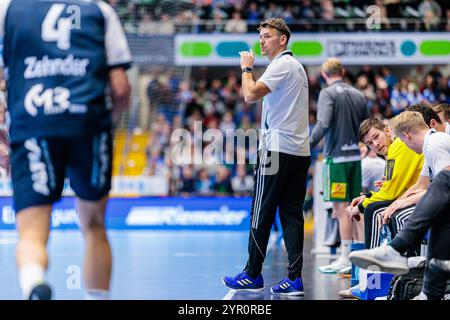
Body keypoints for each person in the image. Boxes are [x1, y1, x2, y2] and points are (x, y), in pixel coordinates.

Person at [0, 0, 131, 300]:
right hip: (88, 123)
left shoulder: (9, 8)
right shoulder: (100, 10)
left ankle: (34, 284)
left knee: (32, 231)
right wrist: (105, 125)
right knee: (95, 225)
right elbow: (121, 89)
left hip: (33, 124)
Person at [222, 18, 310, 296]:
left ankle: (252, 273)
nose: (261, 41)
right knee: (292, 215)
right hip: (299, 150)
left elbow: (249, 94)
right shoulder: (297, 67)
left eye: (267, 36)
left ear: (282, 39)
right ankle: (294, 279)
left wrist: (247, 68)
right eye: (260, 36)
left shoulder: (281, 64)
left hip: (276, 150)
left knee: (261, 210)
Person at [350, 111, 450, 300]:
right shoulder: (429, 145)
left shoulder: (435, 143)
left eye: (375, 138)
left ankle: (395, 252)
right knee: (436, 216)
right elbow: (421, 185)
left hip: (444, 197)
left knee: (387, 211)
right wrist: (399, 202)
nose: (403, 147)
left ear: (406, 136)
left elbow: (445, 185)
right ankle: (429, 293)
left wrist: (397, 203)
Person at [309, 57, 370, 275]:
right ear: (342, 72)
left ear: (324, 75)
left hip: (336, 159)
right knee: (354, 208)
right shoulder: (358, 94)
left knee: (341, 209)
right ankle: (355, 254)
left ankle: (345, 258)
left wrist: (306, 146)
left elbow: (323, 123)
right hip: (355, 158)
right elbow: (367, 126)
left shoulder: (327, 93)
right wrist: (367, 147)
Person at [345, 118, 424, 250]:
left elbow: (390, 193)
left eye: (376, 136)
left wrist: (360, 206)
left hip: (423, 197)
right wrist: (368, 196)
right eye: (370, 143)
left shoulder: (399, 146)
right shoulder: (392, 151)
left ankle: (374, 264)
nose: (375, 144)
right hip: (413, 196)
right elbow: (392, 189)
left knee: (373, 210)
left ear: (387, 131)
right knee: (373, 206)